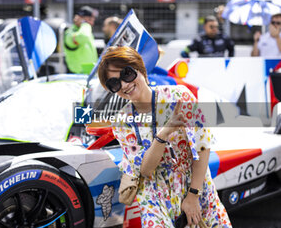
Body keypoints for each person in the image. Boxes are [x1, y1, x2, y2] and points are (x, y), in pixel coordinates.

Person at [98, 46, 232, 228]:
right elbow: (145, 170)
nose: (123, 85)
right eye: (114, 84)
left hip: (195, 181)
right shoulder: (122, 121)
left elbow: (203, 145)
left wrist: (193, 194)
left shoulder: (180, 96)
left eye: (127, 74)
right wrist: (163, 134)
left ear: (140, 69)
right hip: (154, 192)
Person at [63, 6, 98, 74]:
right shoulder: (70, 33)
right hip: (77, 76)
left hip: (89, 74)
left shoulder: (85, 31)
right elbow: (83, 36)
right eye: (89, 20)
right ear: (79, 18)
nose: (91, 24)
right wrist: (85, 24)